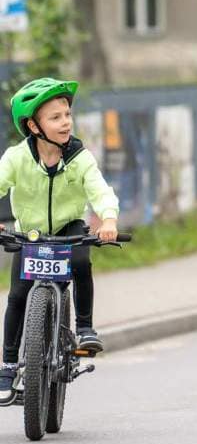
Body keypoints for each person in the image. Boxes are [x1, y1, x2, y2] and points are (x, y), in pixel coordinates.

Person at [0, 78, 119, 406]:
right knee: (18, 296)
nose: (66, 121)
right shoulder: (16, 158)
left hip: (69, 228)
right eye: (55, 117)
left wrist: (108, 220)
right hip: (30, 233)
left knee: (81, 261)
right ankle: (8, 366)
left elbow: (100, 190)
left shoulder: (80, 158)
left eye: (67, 114)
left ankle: (84, 328)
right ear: (32, 125)